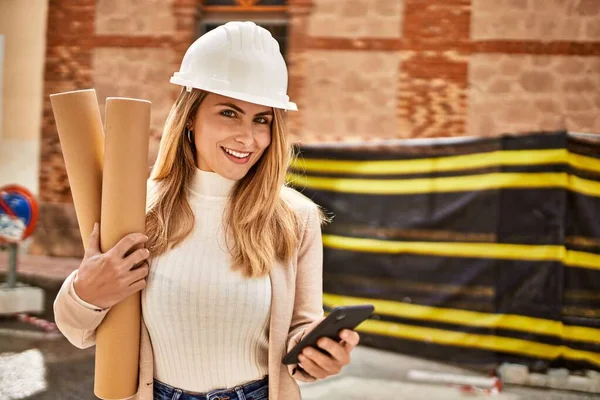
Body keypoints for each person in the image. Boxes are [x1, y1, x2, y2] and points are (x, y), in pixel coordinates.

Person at [54, 21, 360, 400]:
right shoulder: (136, 206)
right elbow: (77, 331)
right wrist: (85, 292)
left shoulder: (294, 217)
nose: (247, 137)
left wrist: (318, 356)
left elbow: (299, 332)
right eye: (229, 113)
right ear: (190, 119)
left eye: (261, 119)